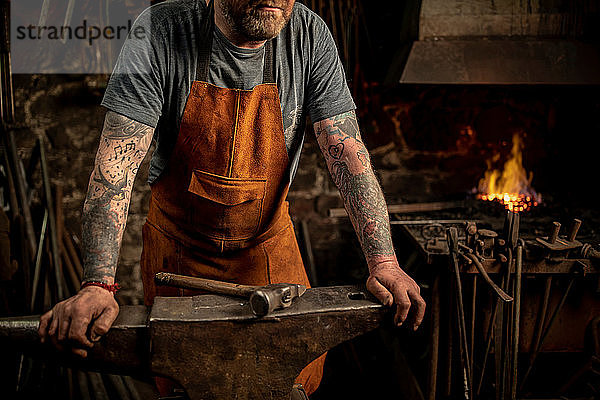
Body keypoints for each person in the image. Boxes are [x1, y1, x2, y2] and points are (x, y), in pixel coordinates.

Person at [38, 0, 426, 397]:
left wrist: (385, 261)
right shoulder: (158, 32)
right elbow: (114, 168)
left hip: (266, 249)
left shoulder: (309, 37)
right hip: (180, 254)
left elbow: (348, 154)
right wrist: (98, 285)